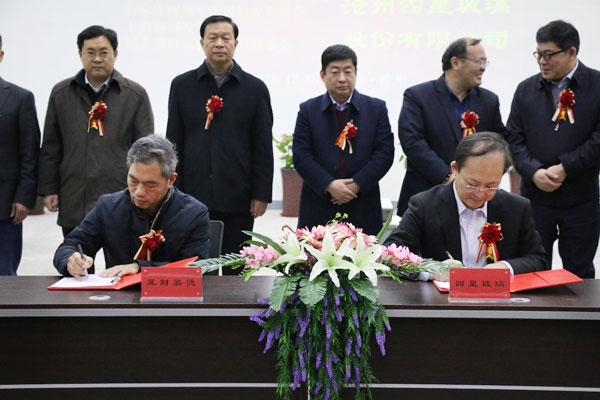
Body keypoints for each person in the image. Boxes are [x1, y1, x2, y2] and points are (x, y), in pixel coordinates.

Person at [166, 15, 273, 272]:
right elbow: (173, 142)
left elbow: (262, 145)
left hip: (239, 194)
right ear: (202, 43)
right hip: (192, 195)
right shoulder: (182, 85)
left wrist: (261, 193)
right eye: (212, 37)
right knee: (199, 269)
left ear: (236, 43)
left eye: (226, 38)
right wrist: (173, 190)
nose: (219, 43)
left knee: (237, 268)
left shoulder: (255, 88)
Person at [39, 25, 154, 237]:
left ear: (115, 54)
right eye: (90, 52)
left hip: (121, 197)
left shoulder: (134, 95)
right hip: (74, 196)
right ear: (80, 54)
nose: (97, 59)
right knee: (76, 256)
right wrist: (49, 189)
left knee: (121, 258)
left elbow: (145, 150)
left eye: (104, 52)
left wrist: (143, 191)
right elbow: (51, 147)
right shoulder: (62, 94)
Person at [385, 132, 548, 280]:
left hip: (498, 299)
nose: (480, 193)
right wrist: (432, 270)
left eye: (491, 186)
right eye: (472, 184)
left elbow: (538, 259)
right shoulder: (425, 205)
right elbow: (389, 254)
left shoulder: (516, 208)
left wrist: (506, 267)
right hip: (442, 300)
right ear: (455, 169)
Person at [507, 20, 600, 279]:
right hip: (535, 198)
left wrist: (566, 167)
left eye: (549, 55)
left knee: (579, 272)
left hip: (580, 198)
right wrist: (534, 171)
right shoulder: (526, 89)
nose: (542, 62)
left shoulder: (596, 85)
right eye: (538, 54)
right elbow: (514, 138)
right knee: (532, 270)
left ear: (572, 52)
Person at [54, 135, 210, 279]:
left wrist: (140, 268)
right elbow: (71, 245)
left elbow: (196, 266)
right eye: (133, 181)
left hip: (172, 296)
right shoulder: (108, 207)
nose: (139, 192)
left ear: (171, 180)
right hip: (119, 296)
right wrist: (71, 260)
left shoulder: (193, 213)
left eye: (150, 185)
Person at [396, 38, 505, 216]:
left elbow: (500, 143)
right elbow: (413, 142)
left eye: (485, 62)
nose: (483, 68)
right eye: (479, 61)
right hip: (427, 196)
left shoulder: (489, 100)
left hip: (477, 202)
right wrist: (449, 176)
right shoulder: (418, 96)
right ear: (456, 62)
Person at [292, 45, 394, 235]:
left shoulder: (376, 108)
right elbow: (301, 156)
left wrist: (357, 184)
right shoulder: (308, 110)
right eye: (335, 72)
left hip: (362, 201)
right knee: (315, 252)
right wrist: (329, 185)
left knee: (364, 252)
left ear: (356, 73)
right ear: (322, 75)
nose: (342, 78)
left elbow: (384, 154)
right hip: (319, 202)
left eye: (348, 71)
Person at [0, 34, 41, 275]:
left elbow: (30, 153)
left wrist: (25, 197)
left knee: (4, 277)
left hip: (5, 206)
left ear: (1, 56)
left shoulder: (20, 98)